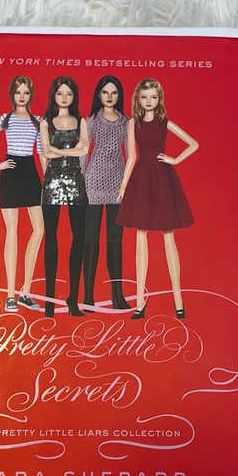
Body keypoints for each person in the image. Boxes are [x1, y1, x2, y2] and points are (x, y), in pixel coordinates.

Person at [117, 78, 198, 319]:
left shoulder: (164, 123)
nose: (149, 101)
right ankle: (140, 302)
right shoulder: (133, 123)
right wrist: (123, 185)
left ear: (159, 98)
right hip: (142, 179)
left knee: (168, 235)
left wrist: (175, 159)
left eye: (153, 97)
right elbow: (132, 156)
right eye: (144, 97)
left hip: (162, 178)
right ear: (138, 99)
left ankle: (178, 299)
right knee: (140, 235)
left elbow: (193, 144)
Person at [0, 76, 44, 313]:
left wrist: (48, 181)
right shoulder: (5, 119)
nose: (22, 96)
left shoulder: (38, 122)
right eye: (18, 92)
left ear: (31, 95)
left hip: (31, 174)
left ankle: (26, 292)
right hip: (11, 173)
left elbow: (42, 153)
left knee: (39, 229)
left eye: (26, 93)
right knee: (12, 231)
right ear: (12, 94)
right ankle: (11, 295)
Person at [40, 76, 89, 317]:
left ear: (74, 96)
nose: (64, 98)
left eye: (69, 94)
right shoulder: (45, 122)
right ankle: (49, 301)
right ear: (53, 95)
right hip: (52, 182)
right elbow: (45, 152)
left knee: (79, 238)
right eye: (60, 93)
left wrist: (57, 151)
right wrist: (70, 150)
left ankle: (72, 299)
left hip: (76, 182)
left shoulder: (81, 121)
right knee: (51, 238)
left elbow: (84, 149)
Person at [82, 76, 131, 312]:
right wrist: (81, 180)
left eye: (114, 92)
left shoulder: (126, 122)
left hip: (118, 185)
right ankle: (88, 296)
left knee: (115, 240)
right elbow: (84, 151)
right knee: (91, 239)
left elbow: (131, 154)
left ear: (119, 95)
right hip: (92, 182)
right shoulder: (91, 120)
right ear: (99, 95)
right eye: (105, 92)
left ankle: (117, 295)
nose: (109, 97)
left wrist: (127, 184)